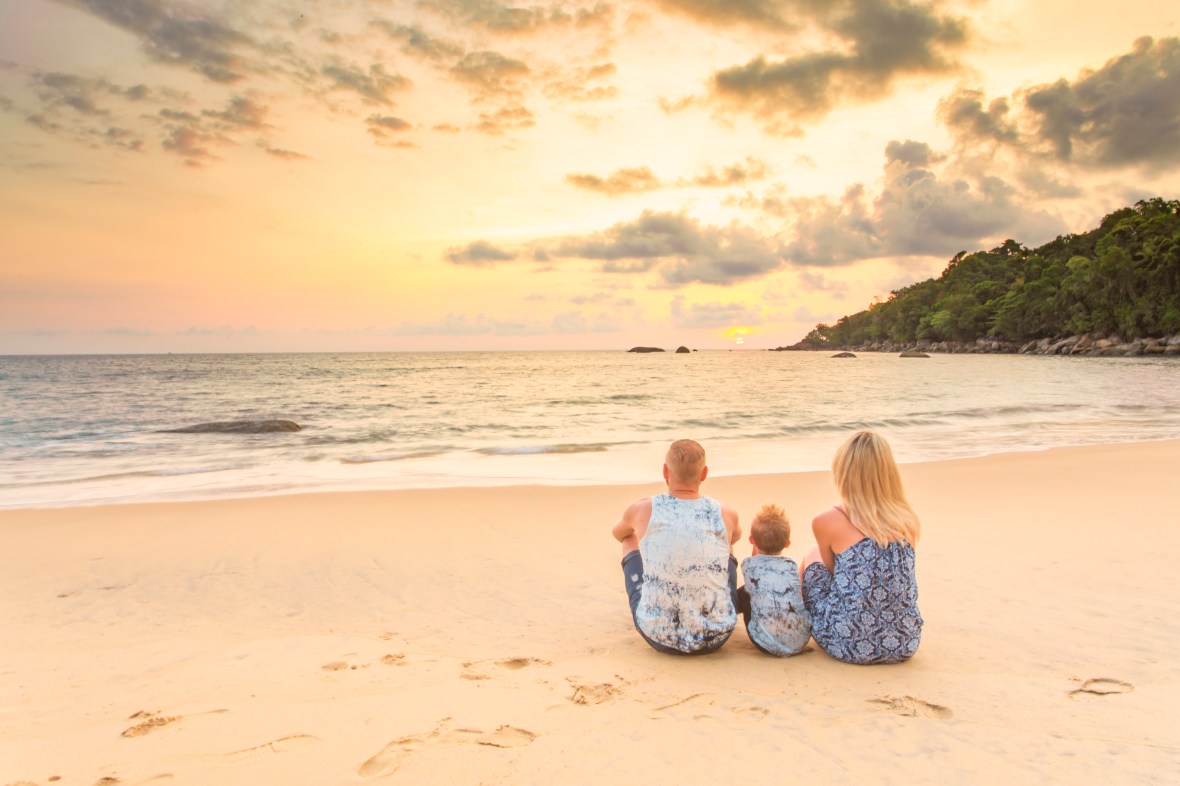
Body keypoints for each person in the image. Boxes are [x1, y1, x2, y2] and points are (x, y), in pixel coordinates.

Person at [800, 431, 923, 665]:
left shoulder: (827, 520)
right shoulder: (908, 520)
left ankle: (794, 625)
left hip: (848, 644)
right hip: (905, 642)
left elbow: (832, 570)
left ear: (844, 473)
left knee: (811, 555)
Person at [611, 439, 741, 655]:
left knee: (629, 538)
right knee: (726, 546)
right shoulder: (725, 512)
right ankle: (710, 608)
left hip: (659, 636)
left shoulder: (643, 507)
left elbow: (618, 533)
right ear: (704, 474)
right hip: (717, 635)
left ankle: (657, 602)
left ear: (665, 471)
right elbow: (735, 538)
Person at [736, 504, 811, 656]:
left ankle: (731, 614)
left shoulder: (749, 565)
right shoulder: (791, 565)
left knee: (746, 592)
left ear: (752, 540)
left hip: (766, 644)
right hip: (801, 641)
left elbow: (755, 578)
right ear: (788, 543)